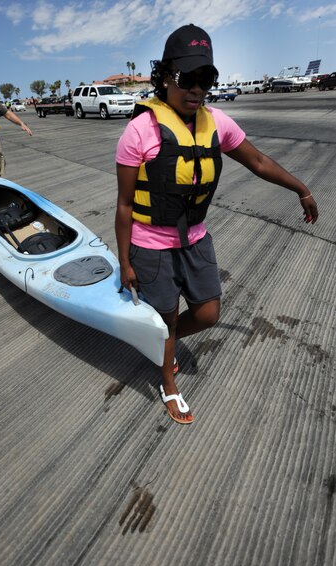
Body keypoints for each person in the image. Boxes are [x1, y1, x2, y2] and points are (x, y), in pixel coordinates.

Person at [115, 24, 318, 425]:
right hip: (151, 245)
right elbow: (123, 204)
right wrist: (125, 263)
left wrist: (301, 188)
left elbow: (258, 161)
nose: (196, 89)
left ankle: (161, 345)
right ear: (165, 76)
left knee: (208, 313)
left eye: (205, 79)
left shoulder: (217, 121)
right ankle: (168, 379)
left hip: (195, 239)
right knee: (169, 317)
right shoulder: (138, 130)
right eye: (187, 78)